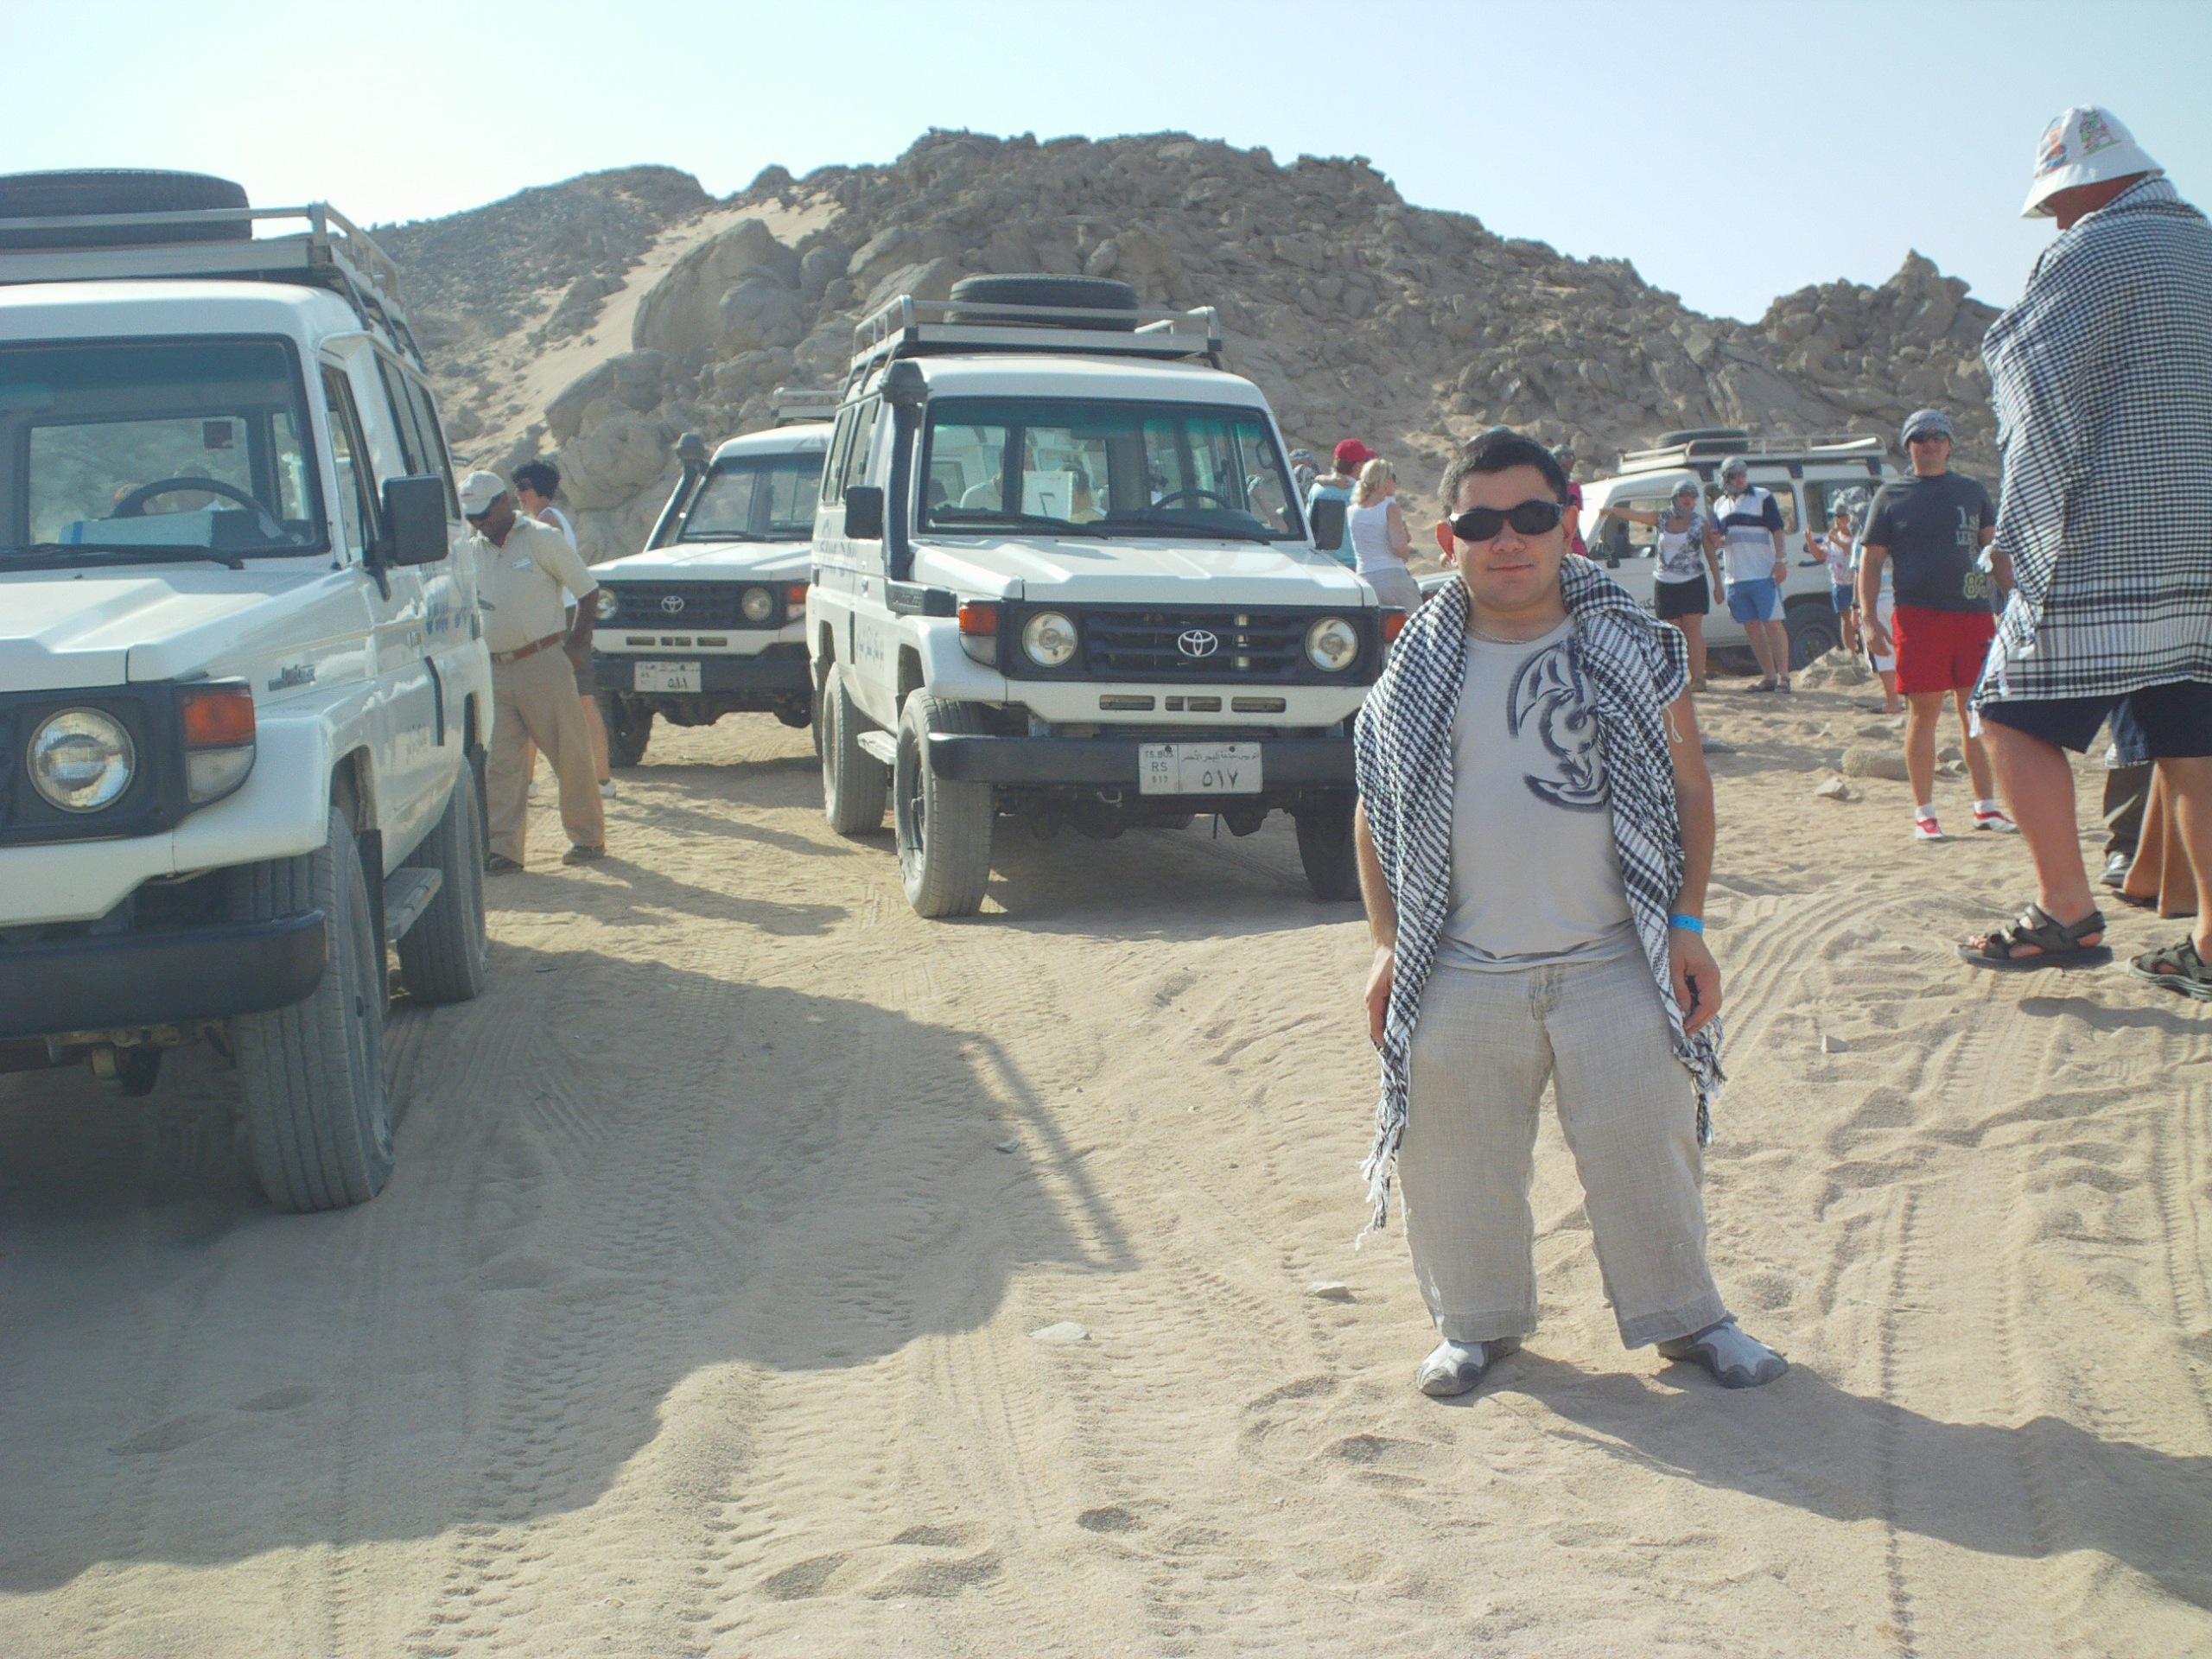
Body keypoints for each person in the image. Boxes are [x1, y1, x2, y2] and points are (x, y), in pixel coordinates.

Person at [1351, 428, 1786, 1399]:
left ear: (1565, 526)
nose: (1507, 539)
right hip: (1460, 966)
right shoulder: (1411, 669)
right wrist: (1387, 945)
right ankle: (1474, 1326)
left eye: (1531, 516)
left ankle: (1690, 1319)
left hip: (1612, 959)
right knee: (1454, 1164)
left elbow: (1690, 790)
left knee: (1649, 1153)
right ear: (1446, 537)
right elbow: (1372, 808)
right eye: (1481, 523)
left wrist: (1686, 927)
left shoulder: (1637, 646)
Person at [1957, 106, 2212, 995]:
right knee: (2192, 731)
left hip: (2113, 534)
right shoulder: (2205, 245)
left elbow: (2037, 394)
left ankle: (2065, 909)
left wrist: (2023, 530)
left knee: (2006, 709)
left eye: (2056, 203)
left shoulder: (2090, 253)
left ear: (2085, 185)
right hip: (2206, 544)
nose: (2054, 220)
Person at [1856, 410, 2012, 841]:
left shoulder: (1972, 491)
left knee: (1975, 712)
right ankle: (1924, 813)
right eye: (1920, 436)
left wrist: (2015, 598)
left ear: (1949, 443)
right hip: (1918, 616)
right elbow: (1871, 560)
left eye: (1939, 435)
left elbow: (1995, 549)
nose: (1930, 442)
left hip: (1974, 614)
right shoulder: (1892, 495)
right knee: (1924, 712)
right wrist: (1868, 619)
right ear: (1908, 445)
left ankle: (1985, 806)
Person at [461, 470, 607, 873]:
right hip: (494, 668)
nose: (478, 523)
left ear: (503, 502)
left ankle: (588, 839)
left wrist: (576, 645)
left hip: (542, 662)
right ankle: (504, 850)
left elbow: (587, 590)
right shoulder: (471, 551)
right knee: (501, 764)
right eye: (471, 516)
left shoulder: (542, 538)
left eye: (483, 513)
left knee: (569, 755)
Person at [512, 459, 614, 799]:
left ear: (540, 490)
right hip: (560, 616)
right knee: (562, 700)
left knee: (577, 699)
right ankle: (534, 782)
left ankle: (599, 780)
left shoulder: (547, 523)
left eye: (523, 488)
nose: (518, 495)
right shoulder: (551, 519)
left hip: (563, 618)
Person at [1599, 479, 1722, 691]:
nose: (1687, 500)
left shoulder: (1700, 523)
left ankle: (1699, 678)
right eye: (1683, 495)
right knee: (1671, 633)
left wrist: (1718, 585)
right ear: (1675, 497)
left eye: (1692, 496)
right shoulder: (1662, 518)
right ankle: (1677, 678)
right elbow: (1636, 515)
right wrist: (1611, 511)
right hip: (1665, 582)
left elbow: (1711, 553)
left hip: (1693, 582)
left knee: (1693, 631)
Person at [1711, 456, 1791, 692]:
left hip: (1762, 572)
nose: (1741, 479)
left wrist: (1780, 561)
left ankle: (1785, 676)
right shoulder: (1719, 505)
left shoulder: (1762, 497)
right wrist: (1716, 540)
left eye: (1743, 474)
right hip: (1735, 576)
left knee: (1773, 623)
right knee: (1752, 628)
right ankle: (1769, 676)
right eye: (1735, 476)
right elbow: (1722, 538)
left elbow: (1777, 530)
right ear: (1725, 479)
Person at [1346, 456, 1421, 611]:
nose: (1395, 482)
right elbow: (1399, 548)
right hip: (1392, 578)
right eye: (1393, 477)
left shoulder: (1352, 511)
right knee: (1418, 621)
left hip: (1365, 579)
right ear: (1384, 480)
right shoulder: (1390, 507)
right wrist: (1407, 551)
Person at [1304, 439, 1371, 569]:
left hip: (1320, 564)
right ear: (1357, 466)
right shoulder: (1363, 494)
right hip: (1354, 566)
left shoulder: (1316, 489)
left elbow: (1308, 524)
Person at [1808, 499, 1862, 657]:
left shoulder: (1857, 536)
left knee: (1862, 617)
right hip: (1840, 584)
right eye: (1834, 516)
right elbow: (1820, 555)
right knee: (1846, 619)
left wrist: (1836, 540)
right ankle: (1851, 653)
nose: (1836, 520)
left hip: (1856, 583)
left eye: (1839, 516)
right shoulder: (1832, 537)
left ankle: (1866, 650)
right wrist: (1810, 541)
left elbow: (1851, 551)